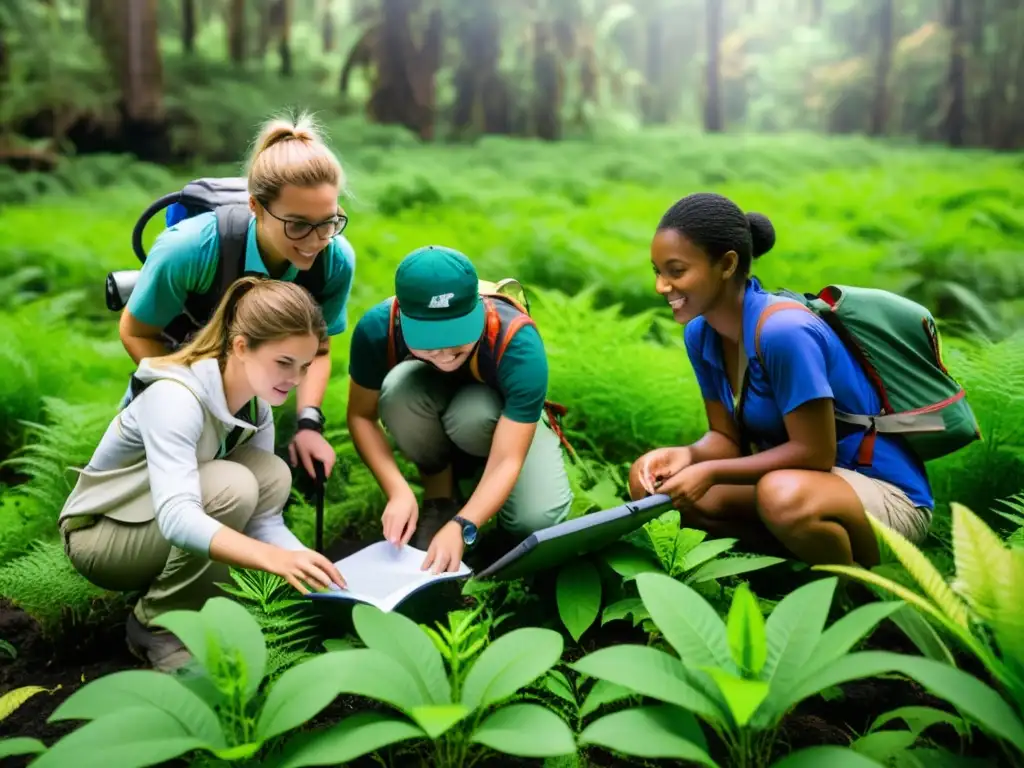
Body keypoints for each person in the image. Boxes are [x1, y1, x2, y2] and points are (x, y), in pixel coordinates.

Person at [629, 192, 933, 569]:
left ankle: (856, 599)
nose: (662, 286)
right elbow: (725, 440)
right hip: (805, 486)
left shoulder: (784, 331)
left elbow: (814, 453)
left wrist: (708, 471)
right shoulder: (700, 334)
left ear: (726, 264)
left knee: (780, 495)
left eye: (676, 271)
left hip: (885, 496)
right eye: (657, 271)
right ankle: (791, 570)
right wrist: (688, 456)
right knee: (652, 485)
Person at [59, 277, 347, 674]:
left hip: (149, 523)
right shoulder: (175, 397)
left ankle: (189, 604)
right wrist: (271, 560)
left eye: (305, 366)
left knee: (270, 474)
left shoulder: (255, 409)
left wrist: (303, 562)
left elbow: (261, 518)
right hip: (101, 538)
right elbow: (179, 518)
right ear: (242, 346)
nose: (296, 380)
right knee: (233, 486)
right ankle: (157, 626)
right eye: (284, 363)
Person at [117, 111, 356, 480]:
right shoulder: (190, 249)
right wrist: (194, 400)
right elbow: (136, 331)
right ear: (255, 206)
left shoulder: (335, 260)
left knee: (255, 494)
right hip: (180, 385)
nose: (316, 241)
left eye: (329, 222)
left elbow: (318, 349)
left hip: (255, 401)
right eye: (297, 225)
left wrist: (308, 423)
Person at [346, 246, 574, 573]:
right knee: (398, 389)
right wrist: (397, 490)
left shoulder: (517, 341)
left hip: (495, 418)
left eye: (457, 338)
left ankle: (486, 517)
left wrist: (464, 524)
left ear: (478, 310)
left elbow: (509, 457)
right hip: (424, 396)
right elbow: (360, 416)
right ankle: (440, 499)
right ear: (402, 316)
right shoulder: (377, 328)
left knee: (535, 519)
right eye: (428, 341)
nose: (444, 354)